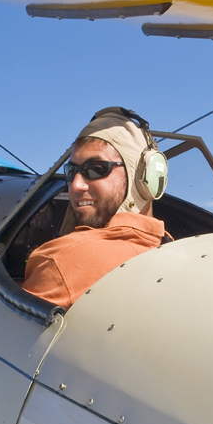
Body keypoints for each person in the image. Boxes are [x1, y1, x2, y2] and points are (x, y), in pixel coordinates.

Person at [23, 107, 169, 309]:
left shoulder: (59, 261)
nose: (75, 185)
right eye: (72, 171)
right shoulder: (170, 247)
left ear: (143, 177)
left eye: (96, 169)